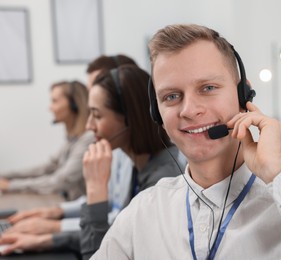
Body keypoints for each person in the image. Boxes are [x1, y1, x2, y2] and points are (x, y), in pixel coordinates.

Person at [90, 24, 281, 259]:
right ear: (157, 112)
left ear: (243, 95)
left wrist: (279, 171)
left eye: (208, 87)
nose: (189, 110)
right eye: (171, 96)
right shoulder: (144, 212)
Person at [0, 64, 184, 257]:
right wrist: (48, 239)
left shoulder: (162, 180)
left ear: (130, 118)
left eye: (97, 115)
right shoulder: (138, 165)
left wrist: (96, 189)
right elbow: (116, 236)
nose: (89, 126)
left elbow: (97, 254)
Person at [0, 81, 93, 201]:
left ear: (74, 105)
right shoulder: (73, 140)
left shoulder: (87, 140)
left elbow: (59, 181)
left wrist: (10, 186)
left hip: (77, 209)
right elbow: (47, 168)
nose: (50, 107)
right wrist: (5, 176)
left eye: (55, 101)